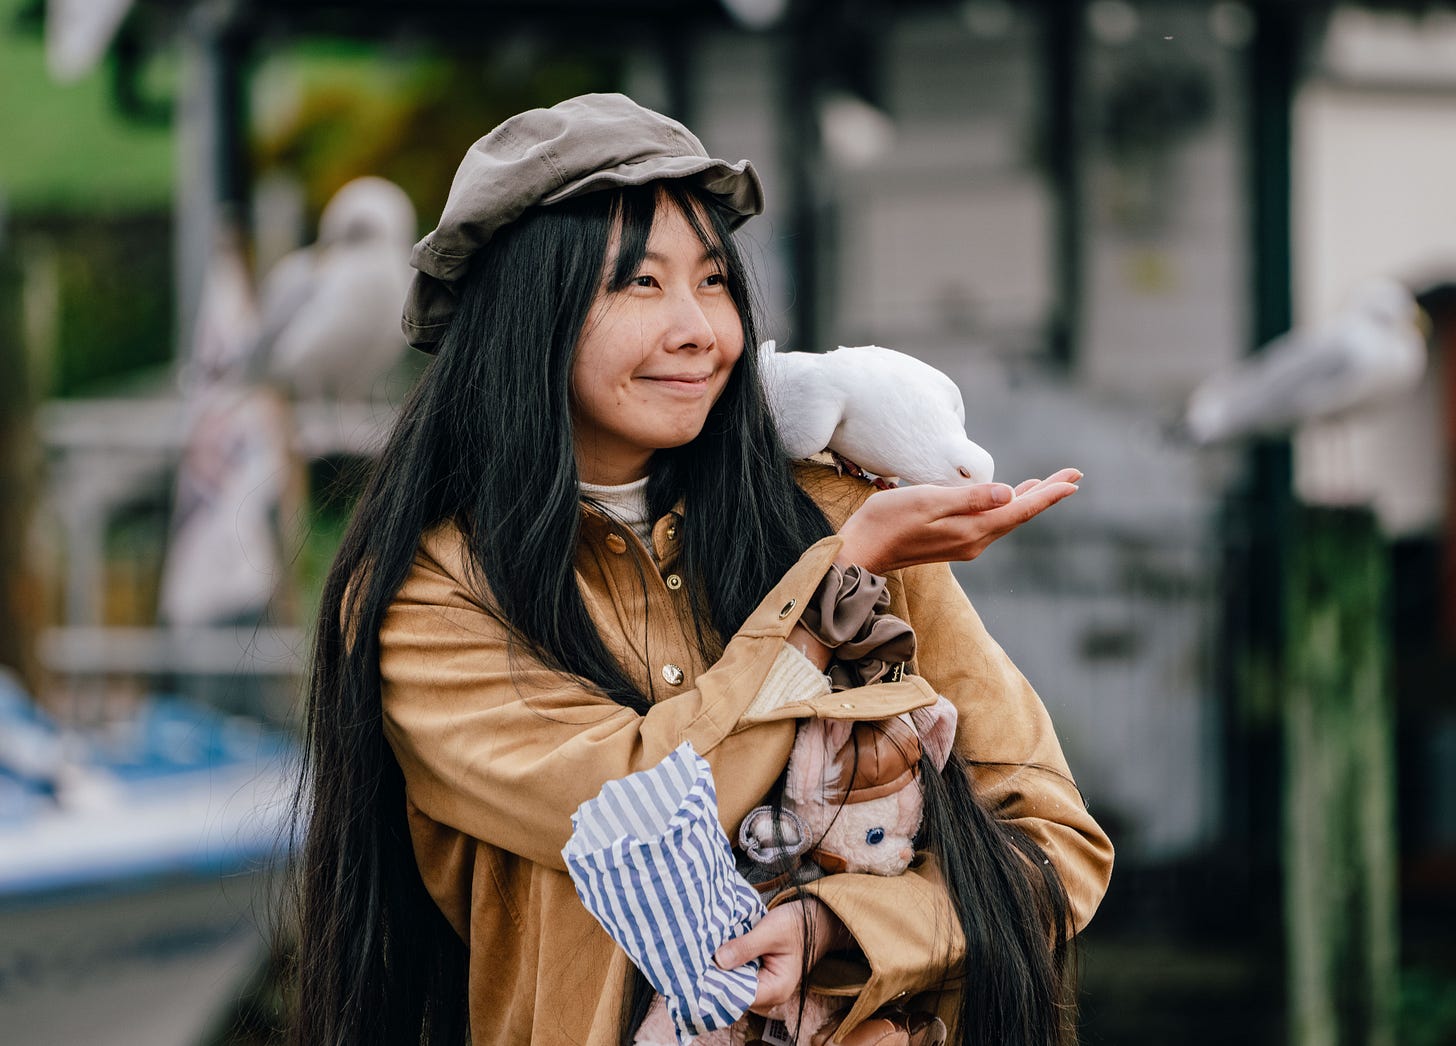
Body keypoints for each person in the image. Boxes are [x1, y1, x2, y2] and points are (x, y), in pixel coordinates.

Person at [289, 93, 1113, 1046]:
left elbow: (1056, 843)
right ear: (528, 315)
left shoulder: (841, 513)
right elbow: (633, 809)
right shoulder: (433, 598)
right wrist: (827, 592)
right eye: (640, 284)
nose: (700, 330)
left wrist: (841, 929)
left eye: (714, 280)